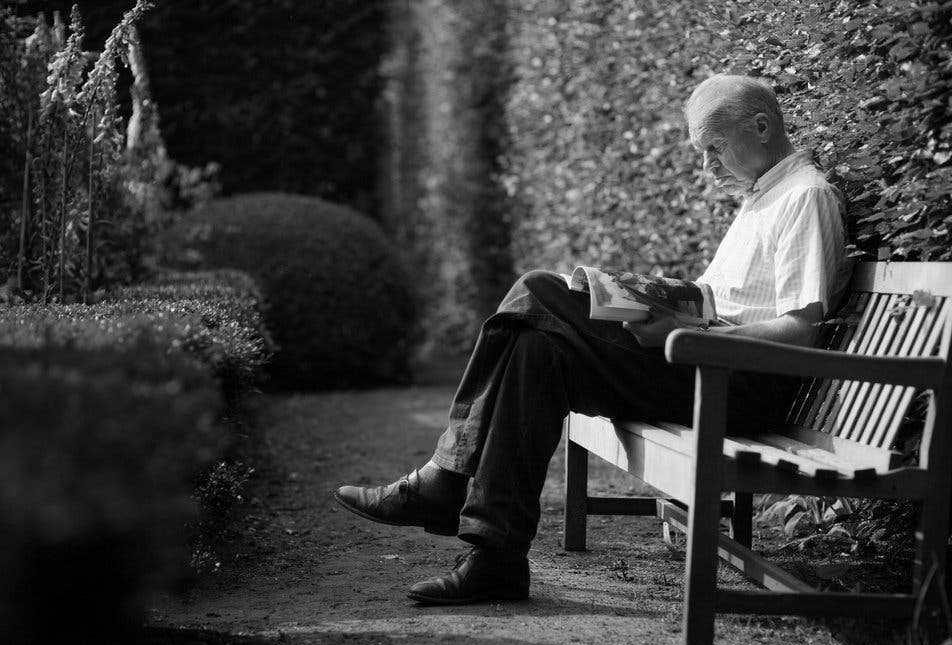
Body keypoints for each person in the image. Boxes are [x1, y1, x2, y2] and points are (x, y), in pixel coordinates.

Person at [333, 74, 848, 605]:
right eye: (702, 152)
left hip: (738, 385)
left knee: (537, 289)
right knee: (537, 350)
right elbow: (720, 303)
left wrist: (686, 331)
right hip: (705, 364)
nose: (707, 166)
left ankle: (444, 478)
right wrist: (655, 301)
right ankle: (496, 559)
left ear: (761, 127)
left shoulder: (804, 196)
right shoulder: (762, 197)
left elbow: (801, 332)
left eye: (713, 148)